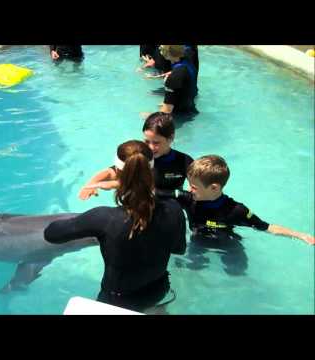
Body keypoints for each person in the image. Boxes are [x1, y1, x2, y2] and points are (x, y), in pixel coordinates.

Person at [44, 140, 186, 313]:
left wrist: (86, 221)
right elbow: (179, 249)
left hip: (117, 301)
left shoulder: (103, 218)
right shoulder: (174, 209)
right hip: (158, 290)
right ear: (151, 171)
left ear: (117, 172)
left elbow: (51, 234)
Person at [158, 155, 315, 274]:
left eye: (194, 187)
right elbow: (155, 194)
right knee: (194, 269)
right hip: (198, 241)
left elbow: (266, 227)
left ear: (214, 188)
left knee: (236, 272)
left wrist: (300, 235)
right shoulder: (187, 199)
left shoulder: (236, 211)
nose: (189, 190)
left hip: (227, 243)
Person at [79, 112, 193, 200]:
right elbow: (111, 172)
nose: (151, 147)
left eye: (156, 143)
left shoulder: (183, 161)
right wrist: (91, 184)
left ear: (171, 138)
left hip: (169, 208)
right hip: (140, 206)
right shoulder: (140, 155)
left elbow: (199, 188)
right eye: (147, 141)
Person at [158, 45, 198, 116]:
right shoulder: (187, 56)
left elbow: (166, 113)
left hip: (179, 117)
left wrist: (148, 116)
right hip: (190, 110)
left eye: (161, 47)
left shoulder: (174, 77)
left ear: (168, 53)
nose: (159, 47)